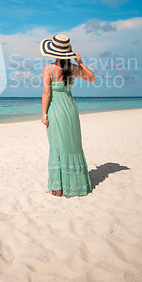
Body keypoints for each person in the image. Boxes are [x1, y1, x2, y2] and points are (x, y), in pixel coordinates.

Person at [40, 33, 94, 197]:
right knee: (72, 146)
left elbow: (46, 92)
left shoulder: (48, 68)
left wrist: (43, 113)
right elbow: (91, 78)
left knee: (57, 146)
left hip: (55, 111)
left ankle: (58, 188)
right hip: (70, 110)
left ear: (54, 52)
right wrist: (80, 63)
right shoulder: (75, 69)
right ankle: (77, 186)